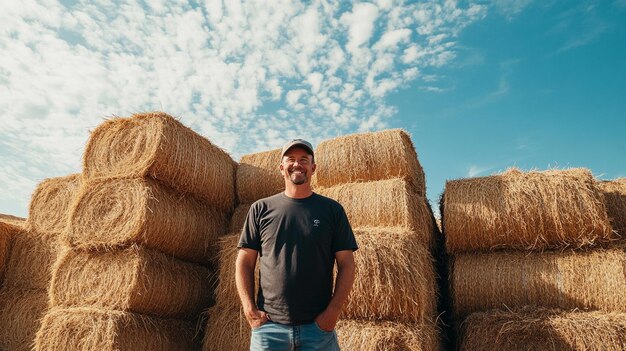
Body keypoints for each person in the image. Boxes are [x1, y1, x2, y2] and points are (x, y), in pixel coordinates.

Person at [236, 139, 358, 351]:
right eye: (291, 159)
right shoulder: (260, 209)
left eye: (304, 159)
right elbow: (244, 262)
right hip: (269, 330)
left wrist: (332, 313)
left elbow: (347, 264)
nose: (297, 164)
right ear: (281, 167)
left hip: (318, 331)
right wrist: (250, 311)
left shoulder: (332, 211)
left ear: (313, 168)